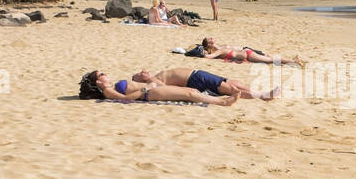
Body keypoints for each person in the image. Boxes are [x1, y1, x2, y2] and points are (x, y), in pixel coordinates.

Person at [79, 70, 238, 106]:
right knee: (189, 93)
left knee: (190, 92)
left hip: (151, 89)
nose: (106, 74)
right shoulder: (107, 91)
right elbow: (125, 99)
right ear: (98, 82)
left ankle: (219, 100)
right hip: (150, 93)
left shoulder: (111, 86)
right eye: (102, 74)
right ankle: (222, 102)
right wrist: (146, 88)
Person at [132, 67, 280, 100]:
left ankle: (261, 92)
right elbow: (166, 89)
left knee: (234, 83)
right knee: (230, 88)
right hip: (195, 79)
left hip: (198, 75)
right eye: (139, 73)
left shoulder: (156, 76)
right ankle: (262, 96)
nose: (143, 71)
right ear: (141, 79)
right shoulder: (152, 80)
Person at [194, 37, 304, 67]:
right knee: (269, 59)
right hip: (246, 53)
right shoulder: (219, 50)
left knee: (270, 60)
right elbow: (211, 56)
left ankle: (293, 61)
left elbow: (209, 57)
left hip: (247, 54)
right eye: (210, 39)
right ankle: (292, 61)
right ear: (209, 44)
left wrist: (203, 54)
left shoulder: (220, 50)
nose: (212, 38)